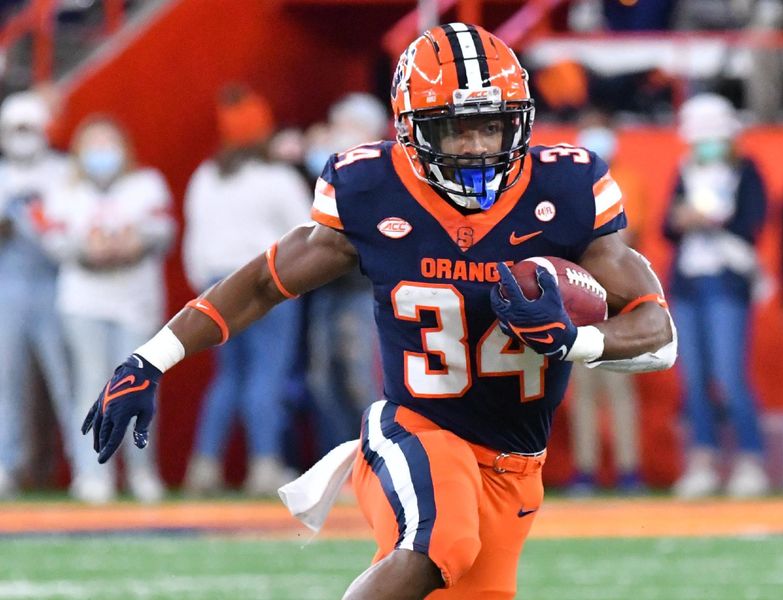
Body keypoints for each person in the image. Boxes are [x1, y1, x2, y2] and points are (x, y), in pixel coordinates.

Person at [81, 23, 675, 599]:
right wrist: (151, 358)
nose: (475, 148)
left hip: (514, 464)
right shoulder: (372, 188)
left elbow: (657, 330)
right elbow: (265, 282)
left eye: (490, 127)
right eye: (453, 131)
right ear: (412, 133)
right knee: (436, 543)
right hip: (419, 426)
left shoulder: (564, 191)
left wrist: (574, 340)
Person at [182, 84, 310, 496]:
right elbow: (306, 234)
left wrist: (201, 290)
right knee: (267, 376)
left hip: (214, 285)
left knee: (228, 378)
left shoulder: (207, 176)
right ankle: (265, 465)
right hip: (265, 284)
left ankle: (204, 466)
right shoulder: (277, 178)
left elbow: (195, 241)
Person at [44, 115, 174, 503]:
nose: (102, 152)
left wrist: (132, 245)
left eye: (109, 142)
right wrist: (89, 250)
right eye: (93, 144)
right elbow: (53, 240)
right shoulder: (65, 190)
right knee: (89, 387)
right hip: (83, 300)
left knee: (138, 387)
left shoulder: (145, 184)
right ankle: (92, 473)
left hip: (135, 300)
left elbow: (162, 230)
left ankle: (141, 472)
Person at [664, 93, 769, 499]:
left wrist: (713, 217)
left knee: (729, 374)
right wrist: (683, 218)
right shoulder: (684, 170)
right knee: (692, 378)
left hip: (727, 280)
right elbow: (666, 228)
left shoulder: (746, 170)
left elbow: (752, 222)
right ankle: (702, 458)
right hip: (688, 283)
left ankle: (750, 457)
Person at [568, 111, 648, 494]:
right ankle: (584, 469)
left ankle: (628, 469)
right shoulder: (569, 187)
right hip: (582, 295)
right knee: (583, 389)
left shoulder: (628, 180)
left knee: (618, 389)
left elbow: (625, 238)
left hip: (617, 296)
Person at [303, 93, 387, 455]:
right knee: (321, 379)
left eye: (347, 127)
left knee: (359, 378)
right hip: (326, 286)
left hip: (363, 288)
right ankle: (340, 462)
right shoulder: (328, 171)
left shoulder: (383, 172)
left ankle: (376, 458)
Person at [0, 90, 73, 497]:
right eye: (15, 129)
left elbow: (70, 229)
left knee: (66, 382)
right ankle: (8, 464)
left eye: (29, 128)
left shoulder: (62, 171)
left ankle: (86, 465)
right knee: (6, 383)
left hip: (56, 285)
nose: (22, 136)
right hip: (6, 285)